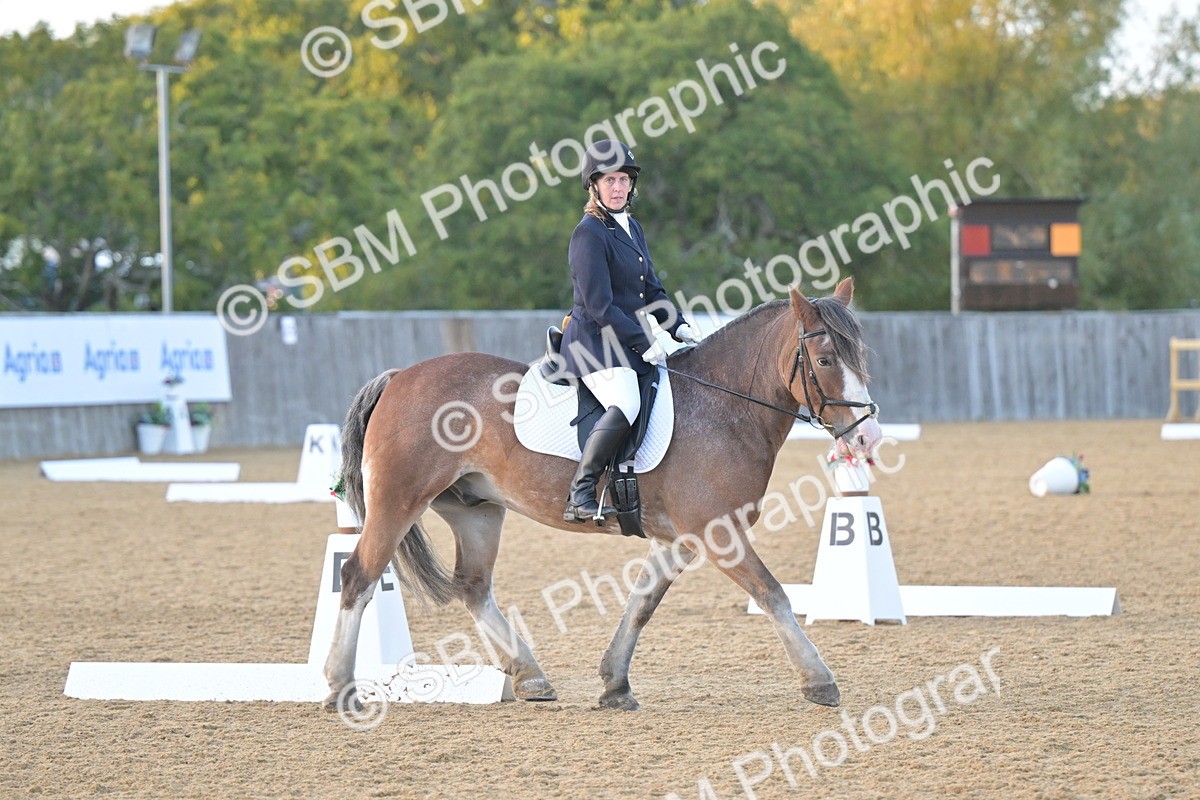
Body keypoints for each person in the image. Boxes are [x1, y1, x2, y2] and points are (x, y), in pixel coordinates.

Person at [559, 139, 701, 523]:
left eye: (623, 179)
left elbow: (651, 289)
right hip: (593, 345)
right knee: (627, 401)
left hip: (625, 342)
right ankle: (581, 491)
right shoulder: (589, 233)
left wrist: (679, 326)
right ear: (595, 186)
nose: (618, 187)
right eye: (610, 181)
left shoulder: (632, 228)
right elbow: (600, 306)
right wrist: (646, 341)